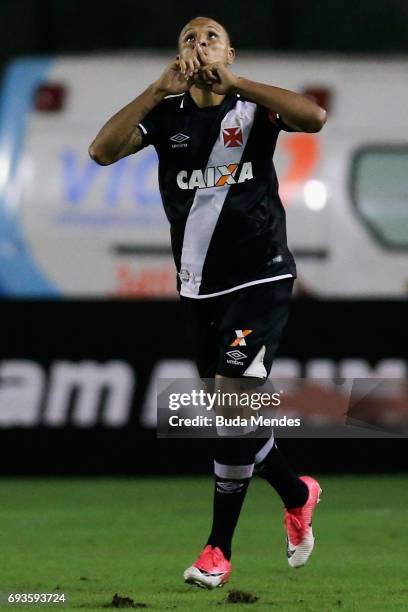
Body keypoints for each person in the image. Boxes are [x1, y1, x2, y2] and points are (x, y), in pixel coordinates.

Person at [89, 16, 326, 590]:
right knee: (232, 418)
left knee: (228, 405)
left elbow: (314, 117)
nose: (200, 45)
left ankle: (218, 549)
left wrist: (236, 82)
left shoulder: (253, 110)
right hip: (198, 285)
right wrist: (155, 89)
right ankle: (297, 491)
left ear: (230, 51)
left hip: (261, 276)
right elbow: (100, 152)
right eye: (190, 40)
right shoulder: (167, 116)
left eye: (210, 37)